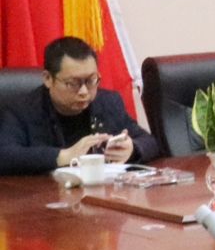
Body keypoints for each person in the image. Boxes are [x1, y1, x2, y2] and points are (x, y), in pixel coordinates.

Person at [0, 36, 159, 176]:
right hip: (44, 196)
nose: (84, 92)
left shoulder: (108, 102)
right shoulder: (20, 110)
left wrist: (132, 149)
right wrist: (63, 156)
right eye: (73, 83)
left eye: (90, 81)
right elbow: (5, 155)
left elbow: (150, 141)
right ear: (48, 79)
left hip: (102, 193)